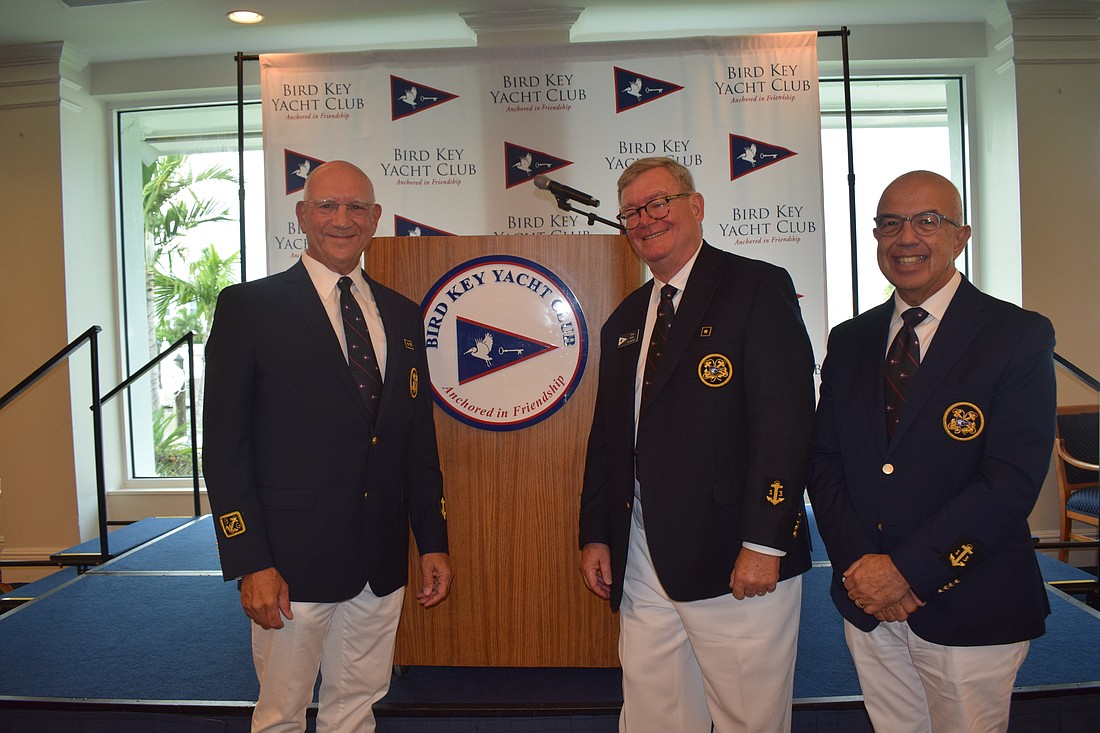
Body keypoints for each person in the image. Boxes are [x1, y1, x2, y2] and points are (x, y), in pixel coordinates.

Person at [203, 160, 452, 733]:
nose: (342, 219)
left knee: (357, 709)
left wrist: (432, 542)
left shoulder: (402, 314)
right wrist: (251, 561)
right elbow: (224, 449)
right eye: (326, 206)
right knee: (281, 716)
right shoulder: (249, 308)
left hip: (379, 561)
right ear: (301, 215)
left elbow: (417, 444)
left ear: (376, 218)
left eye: (356, 207)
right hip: (290, 566)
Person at [809, 170, 1055, 733]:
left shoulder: (1017, 334)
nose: (906, 238)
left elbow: (1010, 480)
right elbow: (824, 463)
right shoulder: (850, 339)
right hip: (868, 601)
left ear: (960, 236)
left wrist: (908, 572)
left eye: (927, 221)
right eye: (890, 224)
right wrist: (863, 569)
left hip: (972, 600)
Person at [578, 157, 816, 732]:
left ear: (696, 205)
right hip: (643, 556)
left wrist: (765, 540)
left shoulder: (756, 287)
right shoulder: (625, 320)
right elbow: (609, 439)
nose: (645, 219)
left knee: (748, 718)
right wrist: (597, 533)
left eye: (658, 203)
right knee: (653, 716)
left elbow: (786, 422)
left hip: (734, 554)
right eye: (632, 212)